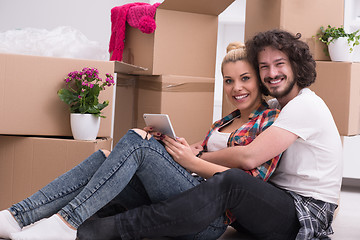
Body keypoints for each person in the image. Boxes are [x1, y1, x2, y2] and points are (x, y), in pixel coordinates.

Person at [76, 29, 343, 240]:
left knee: (232, 182)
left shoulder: (305, 105)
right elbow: (231, 146)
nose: (272, 73)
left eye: (279, 64)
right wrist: (179, 148)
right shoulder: (275, 107)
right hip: (271, 202)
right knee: (167, 171)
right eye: (264, 67)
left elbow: (249, 157)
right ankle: (73, 220)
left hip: (305, 214)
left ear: (296, 65)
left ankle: (113, 228)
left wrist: (195, 158)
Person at [0, 42, 281, 240]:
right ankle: (17, 216)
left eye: (245, 78)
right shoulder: (223, 122)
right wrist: (171, 146)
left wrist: (190, 160)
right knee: (107, 158)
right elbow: (194, 160)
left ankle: (65, 223)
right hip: (188, 190)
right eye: (229, 81)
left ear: (259, 79)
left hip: (209, 217)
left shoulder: (270, 120)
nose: (237, 88)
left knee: (136, 142)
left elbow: (248, 186)